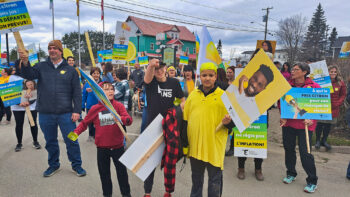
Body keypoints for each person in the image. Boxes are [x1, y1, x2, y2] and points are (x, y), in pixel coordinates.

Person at [18, 40, 86, 177]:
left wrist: (77, 111)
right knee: (50, 141)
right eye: (50, 48)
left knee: (72, 139)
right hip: (45, 113)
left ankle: (77, 165)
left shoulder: (71, 70)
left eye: (55, 48)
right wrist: (25, 62)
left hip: (66, 114)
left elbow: (77, 93)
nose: (52, 50)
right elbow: (29, 75)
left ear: (61, 51)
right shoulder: (41, 66)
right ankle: (54, 165)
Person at [69, 82, 132, 197]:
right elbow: (84, 123)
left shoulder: (118, 106)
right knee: (104, 175)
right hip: (102, 148)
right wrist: (75, 133)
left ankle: (126, 194)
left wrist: (121, 118)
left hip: (118, 147)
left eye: (112, 89)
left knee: (122, 174)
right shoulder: (95, 109)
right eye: (107, 89)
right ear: (100, 92)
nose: (111, 91)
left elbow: (128, 120)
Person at [184, 62, 235, 197]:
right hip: (196, 147)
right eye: (204, 75)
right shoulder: (193, 95)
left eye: (210, 75)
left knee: (214, 183)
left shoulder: (224, 96)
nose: (207, 78)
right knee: (196, 181)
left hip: (214, 147)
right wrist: (185, 143)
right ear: (199, 76)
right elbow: (185, 120)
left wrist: (228, 123)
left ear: (215, 76)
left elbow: (234, 122)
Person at [143, 59, 185, 197]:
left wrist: (178, 110)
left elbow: (181, 99)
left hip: (170, 126)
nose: (159, 71)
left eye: (161, 68)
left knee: (170, 161)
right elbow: (147, 78)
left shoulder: (174, 82)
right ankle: (147, 192)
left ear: (166, 67)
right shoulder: (151, 83)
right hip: (153, 127)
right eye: (156, 69)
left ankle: (168, 191)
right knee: (150, 163)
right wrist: (151, 66)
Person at [280, 62, 320, 193]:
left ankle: (312, 180)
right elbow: (281, 103)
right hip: (289, 125)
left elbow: (320, 105)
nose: (292, 71)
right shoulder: (286, 86)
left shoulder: (314, 87)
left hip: (306, 127)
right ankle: (291, 173)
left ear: (304, 72)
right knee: (289, 150)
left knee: (306, 154)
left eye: (296, 69)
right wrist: (283, 116)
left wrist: (312, 119)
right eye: (292, 69)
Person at [315, 65, 346, 151]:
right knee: (320, 124)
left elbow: (343, 95)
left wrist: (338, 103)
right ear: (327, 72)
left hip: (334, 108)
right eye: (331, 71)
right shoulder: (323, 81)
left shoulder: (340, 83)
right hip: (322, 106)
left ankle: (324, 141)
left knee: (328, 125)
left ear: (337, 73)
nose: (333, 73)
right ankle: (317, 141)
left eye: (335, 72)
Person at [12, 79, 41, 152]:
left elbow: (35, 93)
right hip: (17, 107)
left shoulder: (32, 80)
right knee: (19, 124)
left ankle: (35, 141)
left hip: (30, 106)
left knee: (32, 123)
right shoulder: (13, 79)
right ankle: (19, 143)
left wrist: (28, 102)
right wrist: (19, 103)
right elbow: (10, 94)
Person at [82, 67, 101, 141]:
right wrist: (82, 105)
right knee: (90, 121)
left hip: (100, 106)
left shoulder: (102, 83)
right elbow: (84, 95)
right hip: (90, 106)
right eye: (94, 73)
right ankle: (91, 135)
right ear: (91, 74)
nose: (96, 75)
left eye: (98, 73)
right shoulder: (87, 83)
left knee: (99, 121)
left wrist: (93, 90)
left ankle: (98, 135)